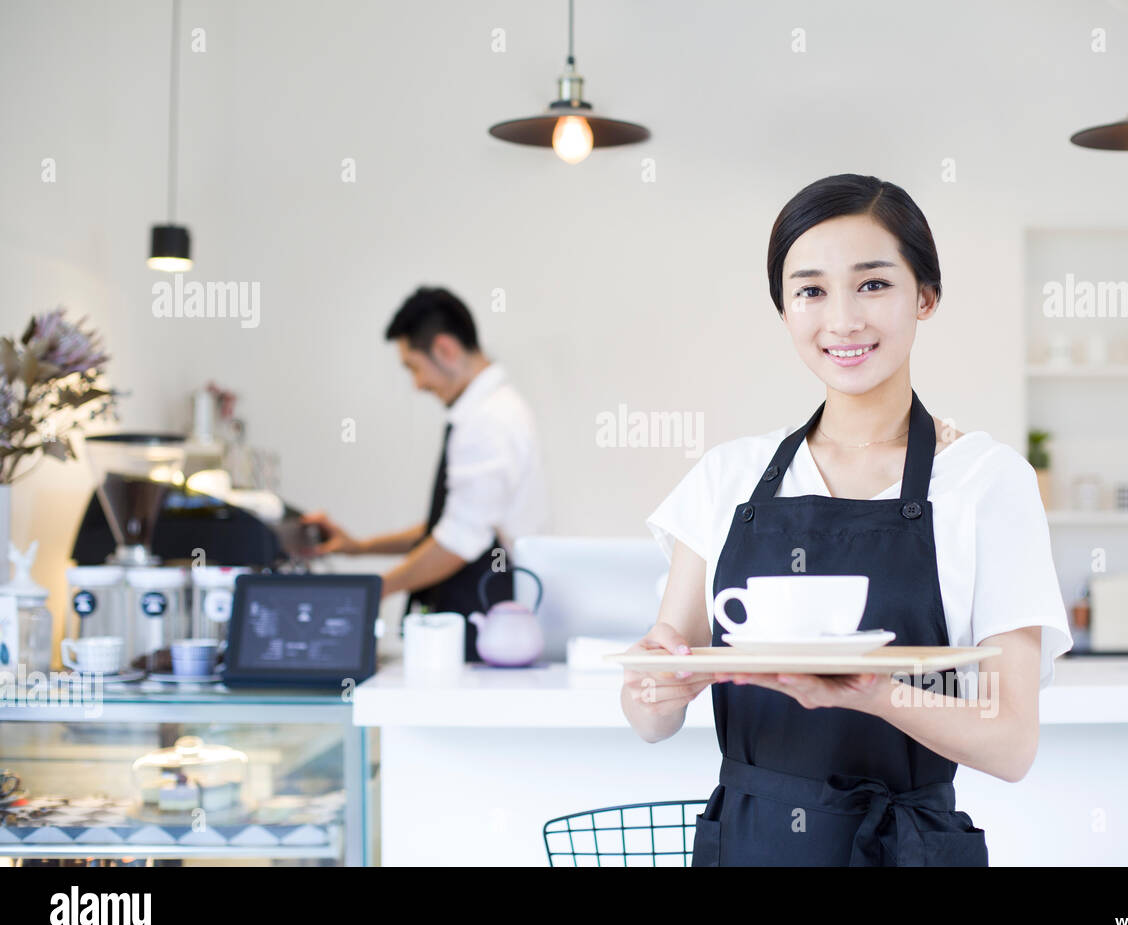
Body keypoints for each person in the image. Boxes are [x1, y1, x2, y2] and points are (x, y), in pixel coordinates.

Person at [621, 174, 1072, 866]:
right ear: (784, 310)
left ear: (925, 296)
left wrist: (875, 693)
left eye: (872, 285)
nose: (842, 320)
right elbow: (654, 716)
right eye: (810, 290)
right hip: (749, 848)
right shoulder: (727, 478)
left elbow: (1012, 743)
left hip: (905, 848)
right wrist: (656, 684)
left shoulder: (987, 481)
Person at [305, 287, 548, 662]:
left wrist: (372, 590)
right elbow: (449, 528)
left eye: (413, 367)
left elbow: (459, 541)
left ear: (446, 350)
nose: (417, 384)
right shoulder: (483, 413)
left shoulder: (490, 420)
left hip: (483, 629)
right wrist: (360, 549)